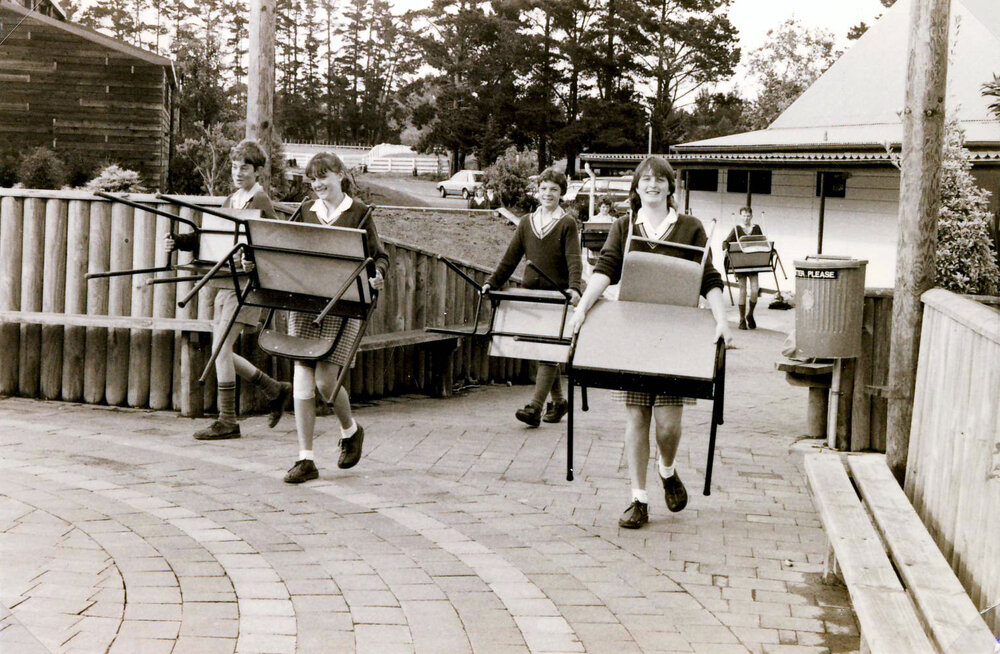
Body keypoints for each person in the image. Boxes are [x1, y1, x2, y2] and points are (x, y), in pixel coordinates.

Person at [568, 155, 734, 529]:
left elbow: (709, 278)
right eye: (646, 179)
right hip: (635, 336)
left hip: (676, 342)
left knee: (668, 426)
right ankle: (638, 499)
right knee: (637, 416)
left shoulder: (690, 228)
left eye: (660, 179)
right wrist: (582, 311)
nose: (653, 184)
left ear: (670, 187)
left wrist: (722, 321)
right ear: (637, 186)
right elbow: (606, 269)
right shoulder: (625, 226)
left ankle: (667, 468)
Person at [165, 139, 291, 441]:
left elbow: (272, 242)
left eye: (244, 168)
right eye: (234, 167)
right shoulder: (231, 200)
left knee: (220, 349)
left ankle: (228, 420)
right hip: (224, 284)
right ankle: (275, 389)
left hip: (244, 287)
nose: (237, 173)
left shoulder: (259, 201)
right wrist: (182, 242)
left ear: (257, 171)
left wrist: (252, 260)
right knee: (220, 349)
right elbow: (212, 240)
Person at [282, 152, 389, 484]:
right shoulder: (304, 211)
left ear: (341, 175)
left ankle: (351, 431)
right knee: (303, 376)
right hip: (305, 306)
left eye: (324, 176)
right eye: (313, 178)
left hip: (343, 307)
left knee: (327, 381)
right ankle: (305, 458)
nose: (317, 183)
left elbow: (379, 256)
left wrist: (378, 274)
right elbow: (285, 249)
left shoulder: (358, 213)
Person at [481, 168, 582, 427]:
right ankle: (558, 402)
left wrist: (574, 288)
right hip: (530, 295)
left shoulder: (567, 223)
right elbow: (511, 257)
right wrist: (492, 282)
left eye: (554, 190)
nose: (548, 194)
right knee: (544, 350)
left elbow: (573, 259)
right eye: (544, 188)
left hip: (556, 297)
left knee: (549, 351)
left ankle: (535, 408)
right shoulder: (527, 222)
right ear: (538, 191)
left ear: (562, 194)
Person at [722, 206, 765, 330]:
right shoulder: (736, 229)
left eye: (748, 215)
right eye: (744, 215)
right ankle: (741, 319)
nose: (746, 218)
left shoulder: (756, 228)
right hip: (741, 263)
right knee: (742, 290)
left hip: (753, 263)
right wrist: (726, 248)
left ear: (751, 216)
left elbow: (762, 241)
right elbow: (725, 242)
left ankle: (750, 314)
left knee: (755, 290)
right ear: (741, 216)